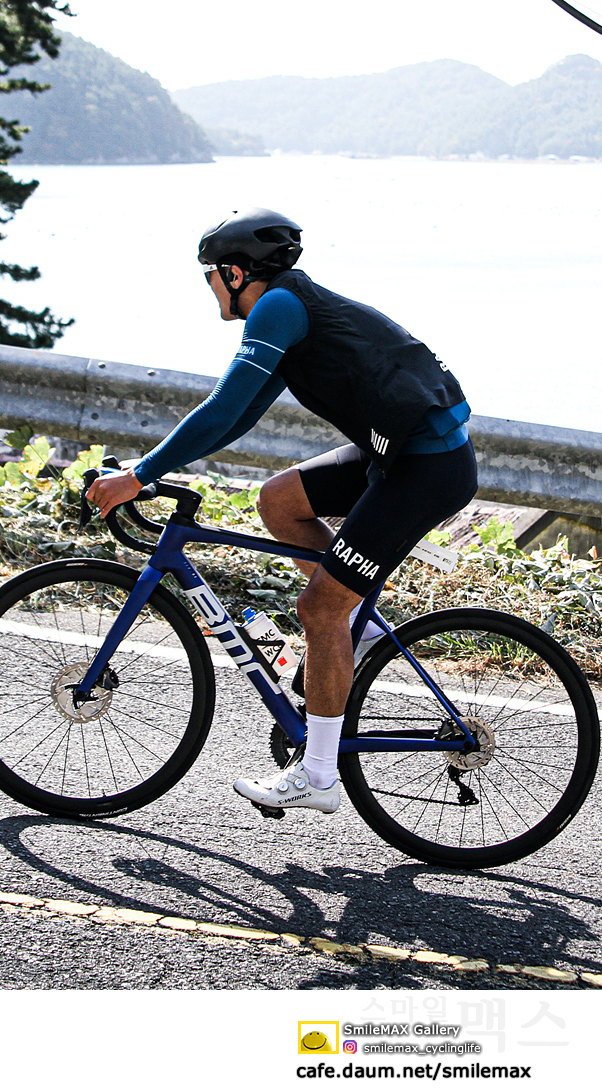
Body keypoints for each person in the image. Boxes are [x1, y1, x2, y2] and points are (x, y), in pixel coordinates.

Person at [87, 207, 477, 815]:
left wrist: (139, 477)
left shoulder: (278, 308)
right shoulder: (288, 307)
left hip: (425, 468)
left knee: (319, 608)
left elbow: (221, 408)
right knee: (280, 500)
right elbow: (240, 413)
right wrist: (153, 468)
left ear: (235, 273)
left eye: (210, 273)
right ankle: (359, 635)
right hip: (404, 453)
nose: (208, 285)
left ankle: (318, 775)